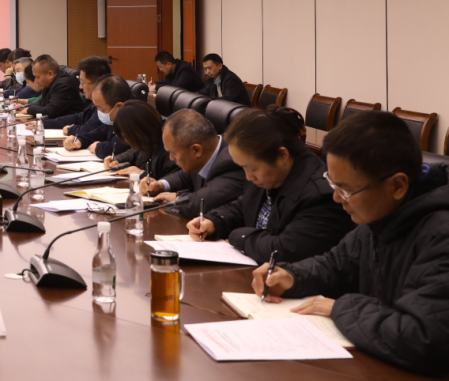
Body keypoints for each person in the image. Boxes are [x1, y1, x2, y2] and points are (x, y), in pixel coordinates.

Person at [252, 111, 449, 376]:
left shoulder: (441, 235)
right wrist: (291, 276)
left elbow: (425, 340)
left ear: (398, 185)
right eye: (332, 183)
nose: (336, 198)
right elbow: (336, 265)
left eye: (345, 189)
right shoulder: (380, 214)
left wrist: (342, 307)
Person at [187, 107, 353, 263]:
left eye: (252, 168)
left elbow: (284, 250)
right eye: (243, 168)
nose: (248, 176)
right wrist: (215, 221)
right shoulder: (269, 174)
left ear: (281, 156)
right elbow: (245, 205)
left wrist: (238, 237)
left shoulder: (321, 196)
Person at [141, 109, 245, 217]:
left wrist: (178, 197)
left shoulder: (232, 162)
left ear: (196, 150)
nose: (171, 158)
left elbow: (199, 204)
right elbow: (184, 176)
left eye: (173, 153)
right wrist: (160, 185)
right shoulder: (205, 155)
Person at [46, 57, 112, 151]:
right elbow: (79, 118)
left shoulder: (108, 104)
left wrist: (70, 129)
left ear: (97, 83)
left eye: (83, 82)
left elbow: (88, 129)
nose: (80, 87)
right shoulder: (91, 102)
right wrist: (44, 124)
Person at [102, 101, 179, 180]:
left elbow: (169, 183)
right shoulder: (148, 141)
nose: (127, 141)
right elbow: (134, 152)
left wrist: (142, 174)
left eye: (126, 136)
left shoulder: (169, 150)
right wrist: (118, 159)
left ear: (138, 133)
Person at [68, 74, 132, 157]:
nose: (98, 112)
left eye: (101, 108)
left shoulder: (133, 122)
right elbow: (97, 133)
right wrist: (80, 140)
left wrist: (97, 147)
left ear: (119, 107)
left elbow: (115, 149)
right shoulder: (113, 121)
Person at [25, 54, 82, 119]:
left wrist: (29, 110)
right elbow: (42, 102)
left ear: (50, 74)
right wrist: (25, 108)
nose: (36, 81)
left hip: (70, 124)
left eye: (38, 77)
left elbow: (50, 111)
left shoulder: (62, 85)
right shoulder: (50, 82)